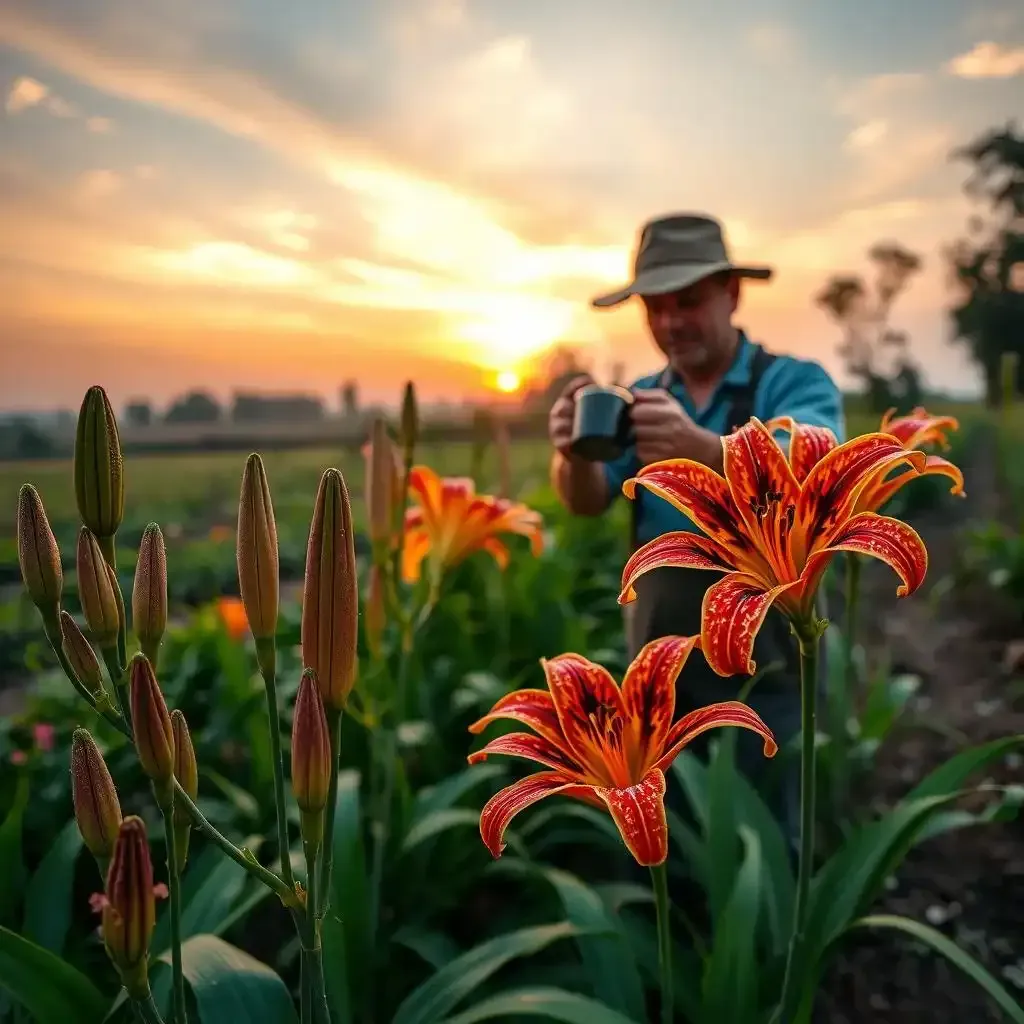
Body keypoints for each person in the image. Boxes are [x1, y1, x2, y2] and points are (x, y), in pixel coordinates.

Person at [548, 213, 845, 839]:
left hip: (769, 674)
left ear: (731, 294)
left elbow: (819, 464)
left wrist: (707, 449)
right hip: (659, 678)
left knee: (774, 842)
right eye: (655, 307)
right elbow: (587, 499)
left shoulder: (791, 382)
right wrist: (570, 453)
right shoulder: (642, 398)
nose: (671, 322)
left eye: (688, 301)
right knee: (674, 845)